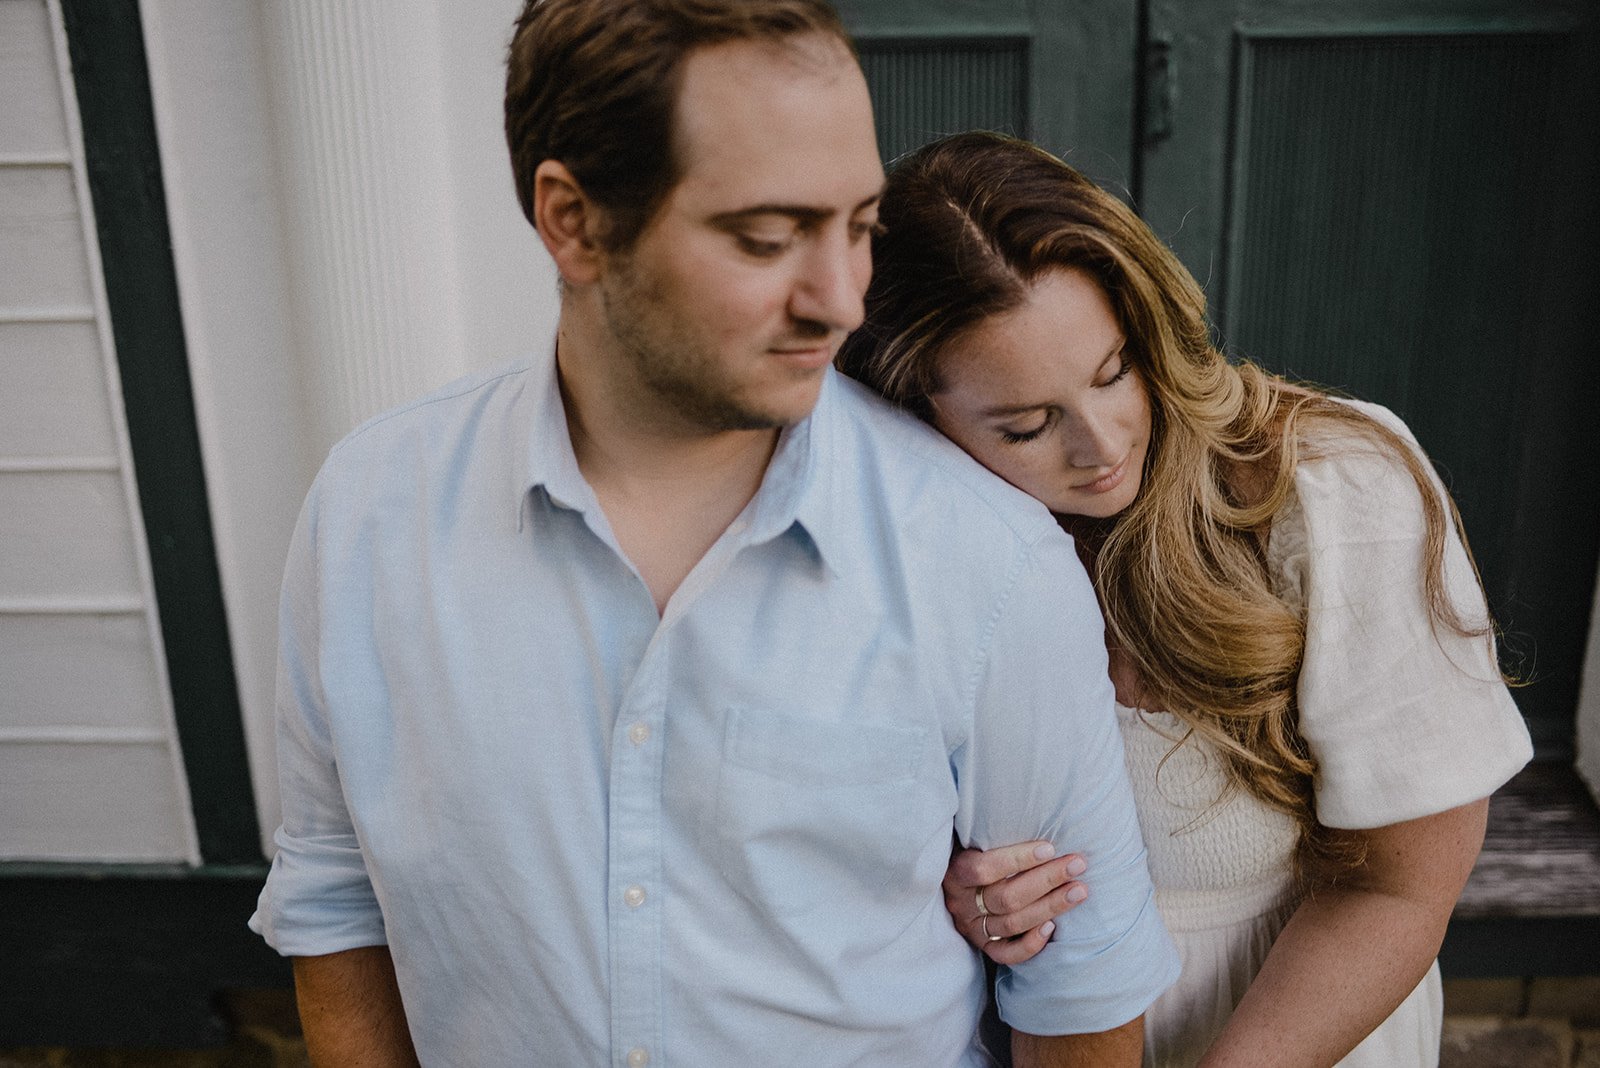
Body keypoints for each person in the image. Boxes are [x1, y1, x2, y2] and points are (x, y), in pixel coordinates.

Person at [249, 5, 1180, 1065]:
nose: (839, 301)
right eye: (767, 239)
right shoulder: (371, 512)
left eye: (860, 226)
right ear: (573, 220)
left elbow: (1081, 986)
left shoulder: (989, 559)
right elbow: (334, 891)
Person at [836, 130, 1533, 1067]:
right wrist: (955, 904)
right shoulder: (892, 555)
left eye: (1113, 370)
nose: (1100, 445)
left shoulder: (1330, 492)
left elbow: (1403, 890)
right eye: (1027, 424)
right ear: (911, 419)